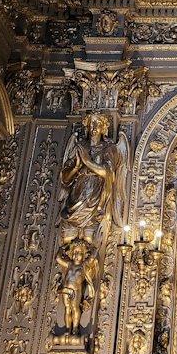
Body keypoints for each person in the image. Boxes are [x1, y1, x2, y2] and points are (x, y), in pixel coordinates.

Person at [59, 113, 128, 248]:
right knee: (67, 240)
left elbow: (108, 173)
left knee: (92, 241)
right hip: (77, 196)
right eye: (92, 124)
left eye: (98, 124)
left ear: (104, 128)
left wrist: (87, 161)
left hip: (95, 200)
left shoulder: (109, 148)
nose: (94, 127)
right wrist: (76, 167)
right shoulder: (79, 146)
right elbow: (65, 179)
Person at [56, 240, 98, 337]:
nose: (76, 255)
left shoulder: (83, 266)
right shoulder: (69, 264)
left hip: (76, 291)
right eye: (74, 253)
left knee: (75, 308)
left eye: (79, 253)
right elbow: (58, 258)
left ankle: (75, 328)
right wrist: (61, 249)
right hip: (65, 290)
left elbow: (92, 258)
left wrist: (95, 248)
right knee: (67, 309)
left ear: (83, 255)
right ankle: (67, 329)